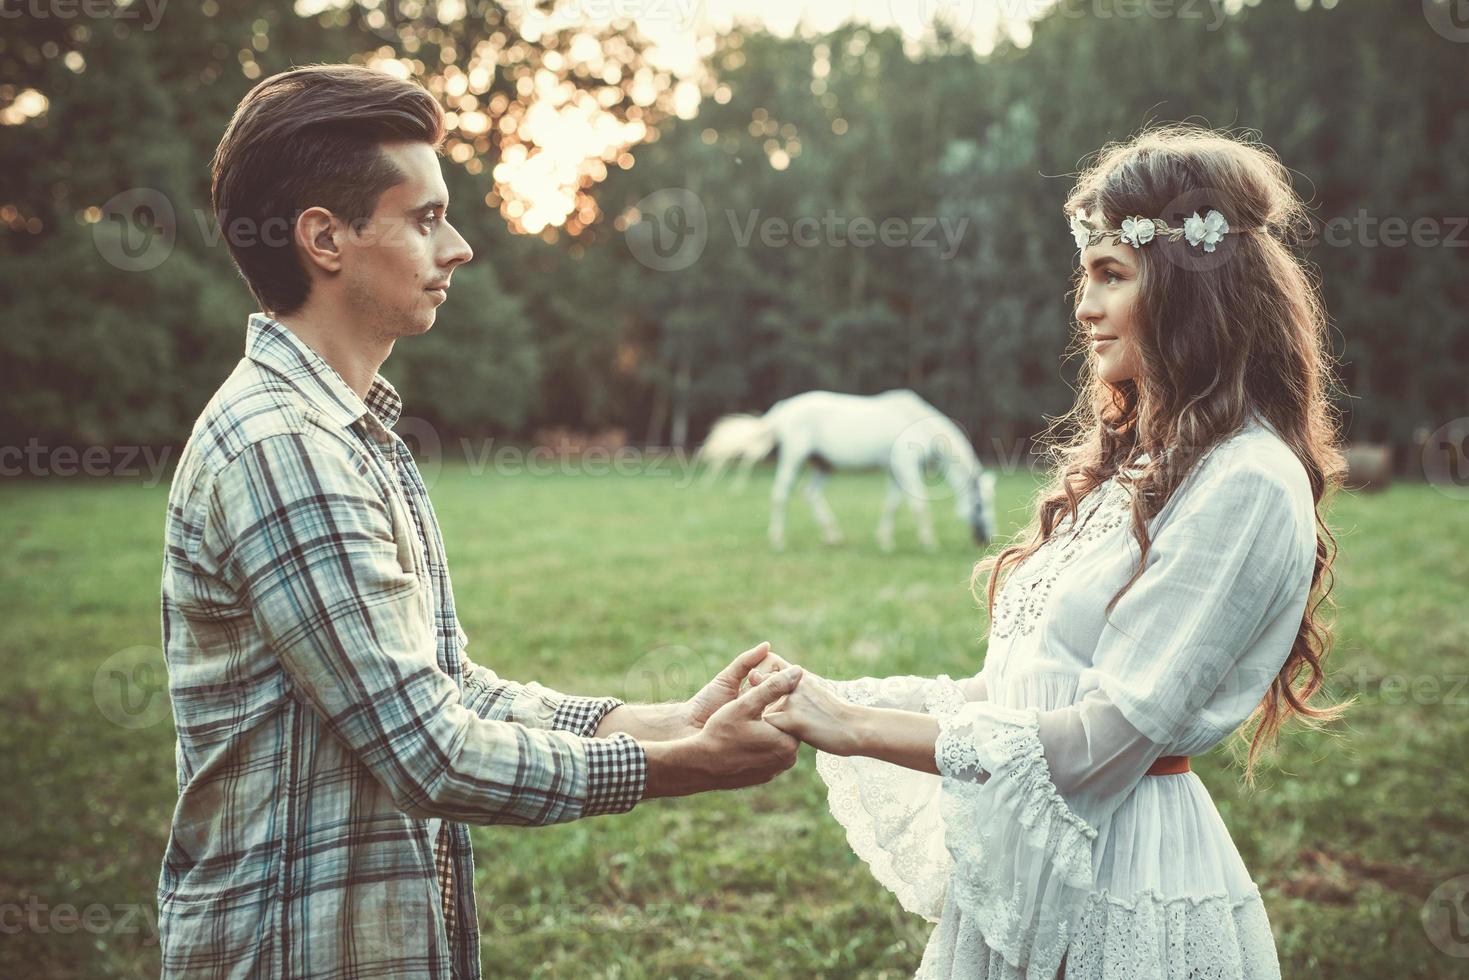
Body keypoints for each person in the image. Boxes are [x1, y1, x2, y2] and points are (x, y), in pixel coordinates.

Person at [157, 63, 803, 979]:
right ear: (323, 239)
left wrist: (664, 720)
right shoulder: (283, 448)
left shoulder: (351, 431)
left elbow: (448, 688)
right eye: (425, 219)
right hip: (288, 949)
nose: (456, 247)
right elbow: (431, 754)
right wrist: (681, 768)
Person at [752, 125, 1354, 980]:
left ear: (1193, 291)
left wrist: (852, 729)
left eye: (1111, 275)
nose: (1083, 307)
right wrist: (817, 697)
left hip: (1121, 888)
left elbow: (1100, 744)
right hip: (1040, 865)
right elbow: (1013, 695)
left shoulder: (1246, 481)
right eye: (1085, 275)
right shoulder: (1139, 468)